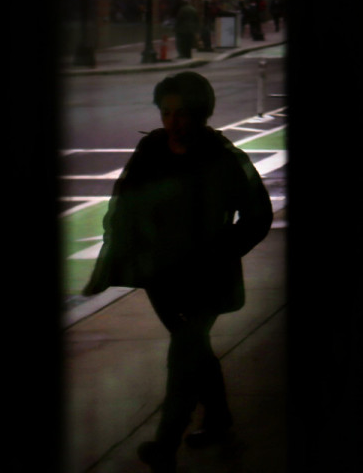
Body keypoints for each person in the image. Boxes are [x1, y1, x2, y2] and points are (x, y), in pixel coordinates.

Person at [82, 72, 273, 471]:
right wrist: (116, 251)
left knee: (184, 354)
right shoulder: (151, 149)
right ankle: (218, 418)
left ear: (200, 114)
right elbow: (124, 204)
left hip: (206, 277)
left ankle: (166, 444)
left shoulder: (222, 156)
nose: (172, 122)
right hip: (161, 277)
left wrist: (221, 251)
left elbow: (258, 215)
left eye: (181, 114)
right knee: (195, 351)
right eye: (166, 113)